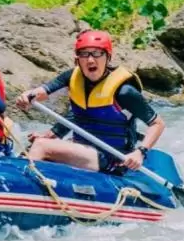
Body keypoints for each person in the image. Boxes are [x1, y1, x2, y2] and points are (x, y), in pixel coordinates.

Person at [16, 29, 165, 174]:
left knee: (42, 146)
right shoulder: (72, 77)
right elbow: (41, 93)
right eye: (84, 54)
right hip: (83, 148)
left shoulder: (124, 92)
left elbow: (157, 124)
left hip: (113, 157)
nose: (90, 60)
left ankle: (21, 184)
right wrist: (28, 96)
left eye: (97, 53)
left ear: (108, 57)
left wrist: (141, 152)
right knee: (34, 146)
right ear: (77, 59)